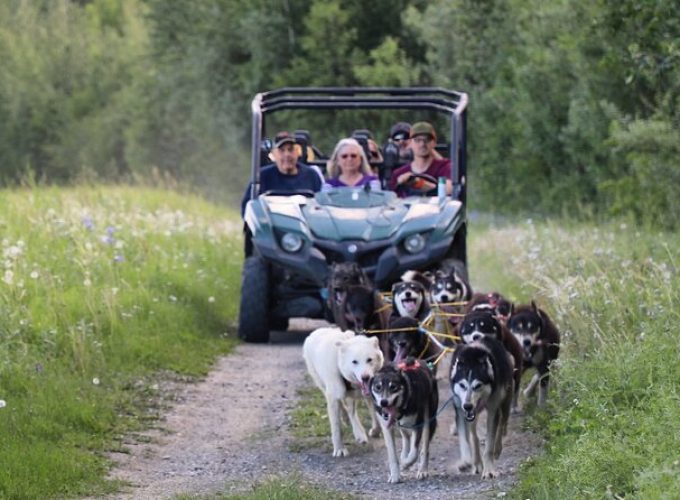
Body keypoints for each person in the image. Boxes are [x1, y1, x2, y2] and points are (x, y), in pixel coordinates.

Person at [241, 131, 322, 216]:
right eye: (282, 150)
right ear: (274, 154)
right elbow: (247, 210)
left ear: (297, 152)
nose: (287, 154)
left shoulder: (312, 175)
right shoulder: (262, 176)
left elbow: (321, 207)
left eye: (290, 150)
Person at [388, 121, 452, 197]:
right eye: (417, 140)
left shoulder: (445, 166)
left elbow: (448, 190)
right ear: (410, 143)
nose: (422, 144)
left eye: (427, 140)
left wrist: (418, 183)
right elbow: (391, 202)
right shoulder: (398, 173)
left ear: (434, 143)